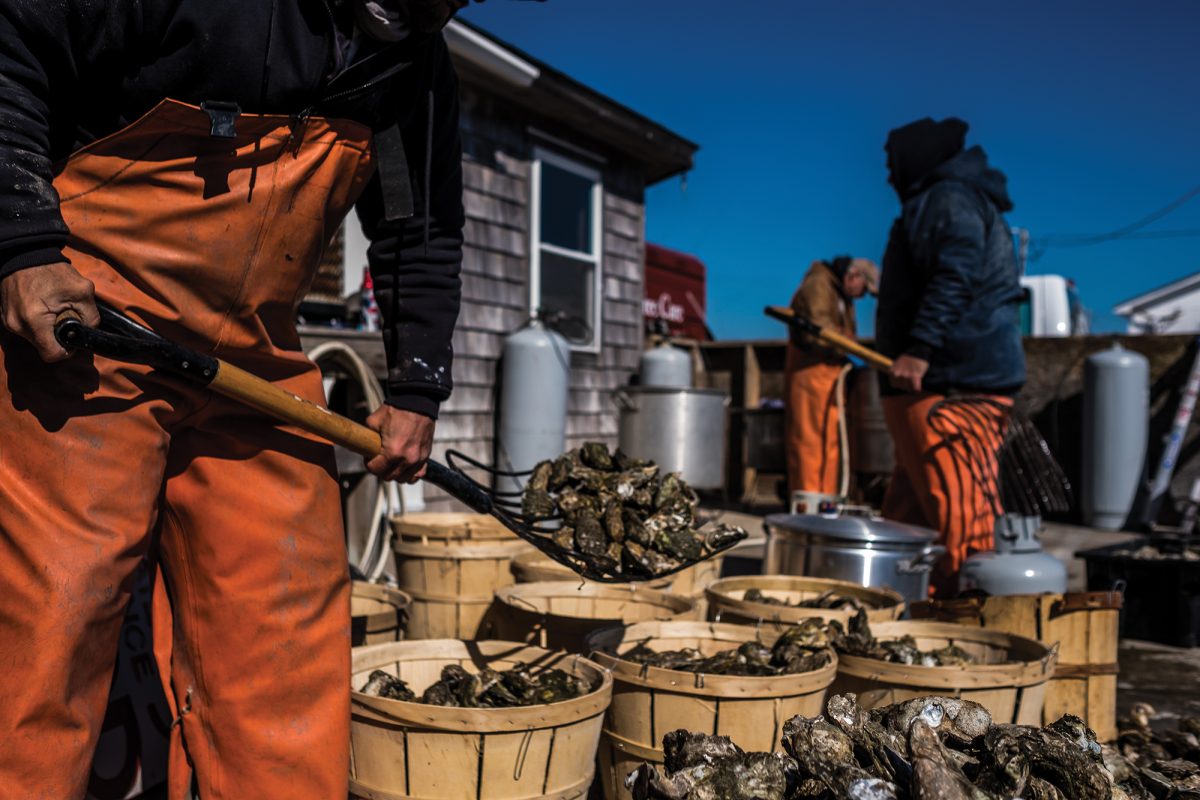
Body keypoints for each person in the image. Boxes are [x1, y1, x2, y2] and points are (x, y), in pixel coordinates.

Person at [0, 1, 474, 797]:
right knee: (56, 620)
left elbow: (416, 225)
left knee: (284, 635)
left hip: (259, 363)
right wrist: (22, 245)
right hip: (93, 333)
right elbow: (12, 40)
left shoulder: (411, 71)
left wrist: (417, 385)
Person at [875, 117, 1026, 596]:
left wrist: (919, 351)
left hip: (955, 387)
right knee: (912, 516)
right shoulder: (942, 199)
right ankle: (909, 608)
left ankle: (969, 619)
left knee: (963, 516)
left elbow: (954, 276)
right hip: (935, 386)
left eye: (890, 164)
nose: (887, 176)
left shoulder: (949, 199)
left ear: (912, 160)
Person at [783, 255, 878, 498]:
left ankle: (826, 502)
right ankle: (808, 501)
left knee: (830, 441)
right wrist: (846, 339)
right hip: (810, 373)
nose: (862, 296)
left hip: (831, 375)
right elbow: (817, 329)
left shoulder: (841, 295)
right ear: (854, 276)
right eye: (864, 289)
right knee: (810, 441)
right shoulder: (819, 284)